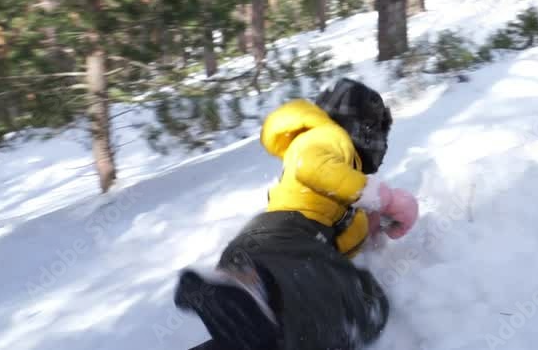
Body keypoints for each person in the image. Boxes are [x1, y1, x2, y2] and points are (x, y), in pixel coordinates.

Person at [175, 78, 419, 350]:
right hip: (290, 237)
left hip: (272, 245)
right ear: (363, 127)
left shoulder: (339, 180)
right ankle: (251, 287)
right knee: (362, 303)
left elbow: (340, 223)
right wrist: (379, 196)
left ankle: (246, 300)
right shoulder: (329, 137)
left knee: (288, 332)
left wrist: (376, 224)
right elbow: (312, 166)